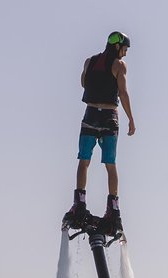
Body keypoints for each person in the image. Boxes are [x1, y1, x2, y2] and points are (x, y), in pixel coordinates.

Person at [63, 31, 135, 233]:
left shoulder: (89, 61)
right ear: (117, 47)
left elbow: (83, 83)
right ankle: (113, 209)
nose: (126, 54)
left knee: (83, 161)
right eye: (125, 49)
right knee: (110, 165)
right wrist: (131, 119)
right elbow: (123, 92)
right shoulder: (119, 66)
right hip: (109, 118)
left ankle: (79, 203)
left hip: (91, 114)